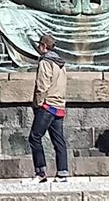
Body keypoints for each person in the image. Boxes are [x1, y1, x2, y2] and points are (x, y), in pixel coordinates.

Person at [29, 34, 68, 183]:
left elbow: (42, 86)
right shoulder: (60, 63)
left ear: (44, 47)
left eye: (39, 45)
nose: (38, 48)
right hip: (59, 105)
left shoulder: (46, 62)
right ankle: (62, 172)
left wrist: (38, 104)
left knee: (34, 137)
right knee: (58, 140)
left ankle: (40, 172)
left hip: (47, 105)